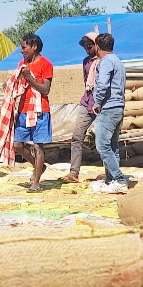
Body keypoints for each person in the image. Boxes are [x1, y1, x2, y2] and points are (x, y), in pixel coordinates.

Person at [14, 33, 54, 193]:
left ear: (34, 47)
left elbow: (45, 89)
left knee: (38, 146)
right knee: (17, 145)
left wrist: (30, 78)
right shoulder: (22, 64)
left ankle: (36, 183)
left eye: (24, 47)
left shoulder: (46, 64)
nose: (22, 51)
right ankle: (38, 166)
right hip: (23, 110)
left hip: (40, 111)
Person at [90, 33, 128, 194]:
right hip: (118, 107)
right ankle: (112, 180)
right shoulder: (118, 61)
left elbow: (103, 84)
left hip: (108, 108)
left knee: (102, 146)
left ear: (98, 47)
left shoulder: (105, 62)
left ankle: (119, 179)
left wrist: (97, 103)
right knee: (113, 146)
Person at [63, 32, 100, 183]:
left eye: (90, 47)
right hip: (87, 102)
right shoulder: (86, 62)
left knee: (104, 140)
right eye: (85, 48)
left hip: (101, 105)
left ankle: (111, 173)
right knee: (77, 137)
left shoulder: (105, 62)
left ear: (97, 45)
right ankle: (74, 172)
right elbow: (86, 82)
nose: (87, 50)